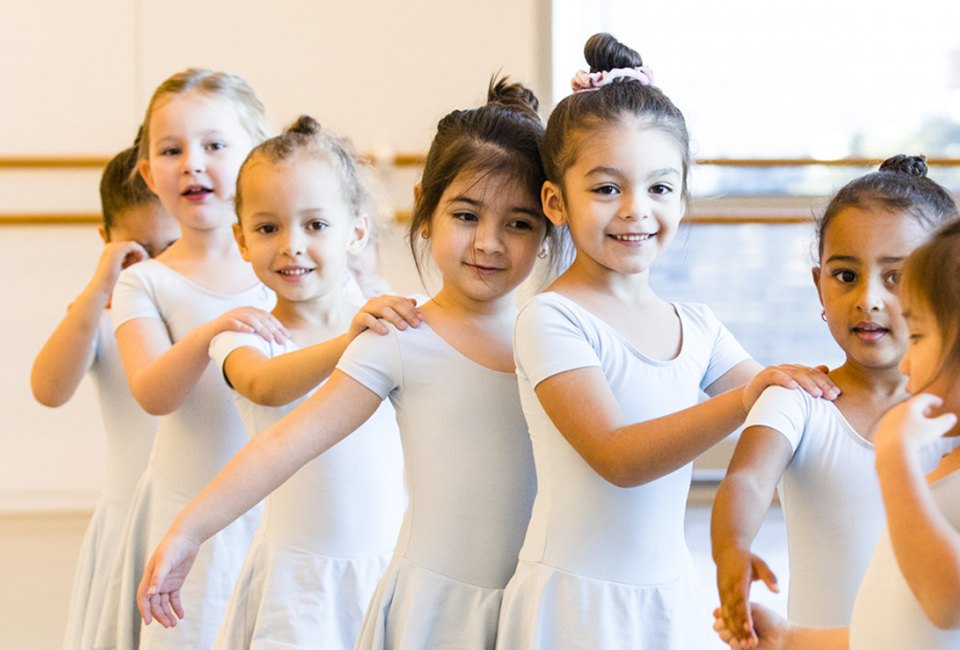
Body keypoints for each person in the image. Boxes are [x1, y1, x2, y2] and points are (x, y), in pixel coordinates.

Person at [137, 76, 562, 649]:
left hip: (532, 607)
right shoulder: (399, 336)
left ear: (549, 224)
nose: (489, 243)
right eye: (466, 216)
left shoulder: (555, 341)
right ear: (426, 209)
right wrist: (189, 530)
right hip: (431, 613)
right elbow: (284, 443)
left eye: (518, 223)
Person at [494, 33, 837, 649]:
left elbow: (788, 412)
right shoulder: (551, 319)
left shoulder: (699, 326)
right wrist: (743, 399)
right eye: (606, 188)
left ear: (682, 195)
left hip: (669, 596)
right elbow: (618, 458)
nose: (635, 210)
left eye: (658, 187)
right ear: (556, 201)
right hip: (573, 603)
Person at [711, 155, 958, 645]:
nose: (868, 298)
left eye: (896, 277)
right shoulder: (800, 398)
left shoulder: (952, 420)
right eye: (846, 275)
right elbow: (746, 480)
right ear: (818, 284)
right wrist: (732, 547)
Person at [205, 115, 414, 648]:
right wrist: (351, 344)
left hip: (388, 566)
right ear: (241, 238)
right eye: (269, 227)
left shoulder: (384, 318)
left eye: (315, 225)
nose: (291, 245)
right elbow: (265, 385)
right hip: (297, 585)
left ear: (357, 231)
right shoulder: (245, 333)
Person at [94, 68, 283, 650]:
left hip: (275, 508)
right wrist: (210, 334)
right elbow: (153, 391)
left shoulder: (286, 271)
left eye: (215, 145)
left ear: (257, 156)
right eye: (171, 150)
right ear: (149, 172)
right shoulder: (145, 283)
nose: (192, 163)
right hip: (186, 515)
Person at [30, 144, 179, 650]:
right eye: (139, 252)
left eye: (171, 249)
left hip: (200, 518)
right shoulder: (99, 313)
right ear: (107, 242)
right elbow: (49, 389)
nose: (156, 268)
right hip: (128, 524)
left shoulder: (210, 306)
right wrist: (97, 292)